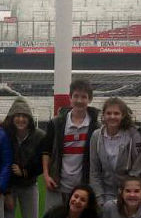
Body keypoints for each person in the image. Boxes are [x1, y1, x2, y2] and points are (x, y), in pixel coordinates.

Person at [0, 97, 46, 218]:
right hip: (10, 188)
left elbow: (42, 164)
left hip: (29, 186)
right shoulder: (4, 135)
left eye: (23, 116)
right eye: (17, 115)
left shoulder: (39, 136)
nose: (20, 119)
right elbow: (1, 163)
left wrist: (25, 171)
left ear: (29, 118)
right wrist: (7, 191)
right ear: (12, 117)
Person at [41, 79, 99, 211]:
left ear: (89, 99)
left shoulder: (96, 127)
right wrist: (46, 175)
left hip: (83, 187)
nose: (79, 100)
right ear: (70, 98)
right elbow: (47, 151)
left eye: (84, 97)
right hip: (57, 183)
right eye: (76, 96)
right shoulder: (56, 123)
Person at [88, 96, 141, 209]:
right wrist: (99, 198)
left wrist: (127, 194)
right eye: (109, 113)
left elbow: (137, 168)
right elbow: (94, 171)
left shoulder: (134, 135)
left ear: (123, 115)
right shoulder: (96, 136)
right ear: (103, 115)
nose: (112, 116)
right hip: (106, 192)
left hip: (128, 192)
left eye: (116, 113)